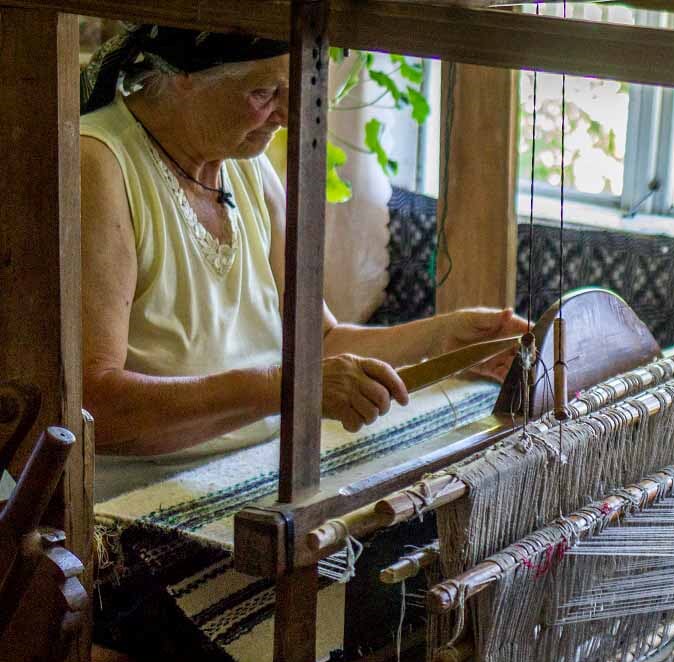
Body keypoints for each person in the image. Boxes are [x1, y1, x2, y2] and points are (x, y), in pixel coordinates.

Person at [78, 25, 527, 481]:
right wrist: (283, 389)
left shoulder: (244, 167)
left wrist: (440, 340)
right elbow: (90, 405)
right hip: (133, 499)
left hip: (243, 476)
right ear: (183, 75)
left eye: (295, 91)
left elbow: (318, 341)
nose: (286, 115)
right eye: (264, 93)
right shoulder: (98, 165)